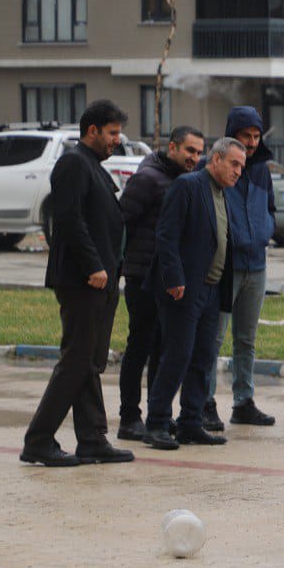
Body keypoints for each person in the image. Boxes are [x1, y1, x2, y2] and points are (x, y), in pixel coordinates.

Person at [20, 100, 134, 467]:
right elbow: (68, 220)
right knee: (77, 361)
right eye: (112, 133)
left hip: (102, 280)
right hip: (83, 279)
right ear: (92, 130)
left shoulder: (93, 166)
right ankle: (39, 440)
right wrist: (93, 266)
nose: (117, 140)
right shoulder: (73, 163)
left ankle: (92, 439)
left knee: (90, 362)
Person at [143, 138, 245, 450]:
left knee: (203, 358)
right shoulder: (188, 186)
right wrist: (174, 278)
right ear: (215, 160)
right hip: (183, 289)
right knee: (178, 355)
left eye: (241, 166)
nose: (238, 171)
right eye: (234, 164)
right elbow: (167, 235)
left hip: (211, 290)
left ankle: (190, 422)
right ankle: (157, 423)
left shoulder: (222, 193)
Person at [115, 125, 205, 441]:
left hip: (168, 279)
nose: (195, 158)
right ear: (172, 147)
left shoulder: (185, 180)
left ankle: (158, 416)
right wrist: (121, 265)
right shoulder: (148, 179)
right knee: (139, 346)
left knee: (162, 349)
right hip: (142, 277)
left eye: (199, 152)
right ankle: (129, 417)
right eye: (190, 150)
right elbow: (121, 222)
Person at [202, 107, 276, 429]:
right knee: (213, 337)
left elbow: (270, 209)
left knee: (246, 339)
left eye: (256, 136)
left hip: (256, 265)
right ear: (232, 134)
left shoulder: (261, 172)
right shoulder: (219, 169)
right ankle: (204, 402)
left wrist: (265, 231)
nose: (252, 142)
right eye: (246, 135)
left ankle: (243, 401)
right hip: (225, 266)